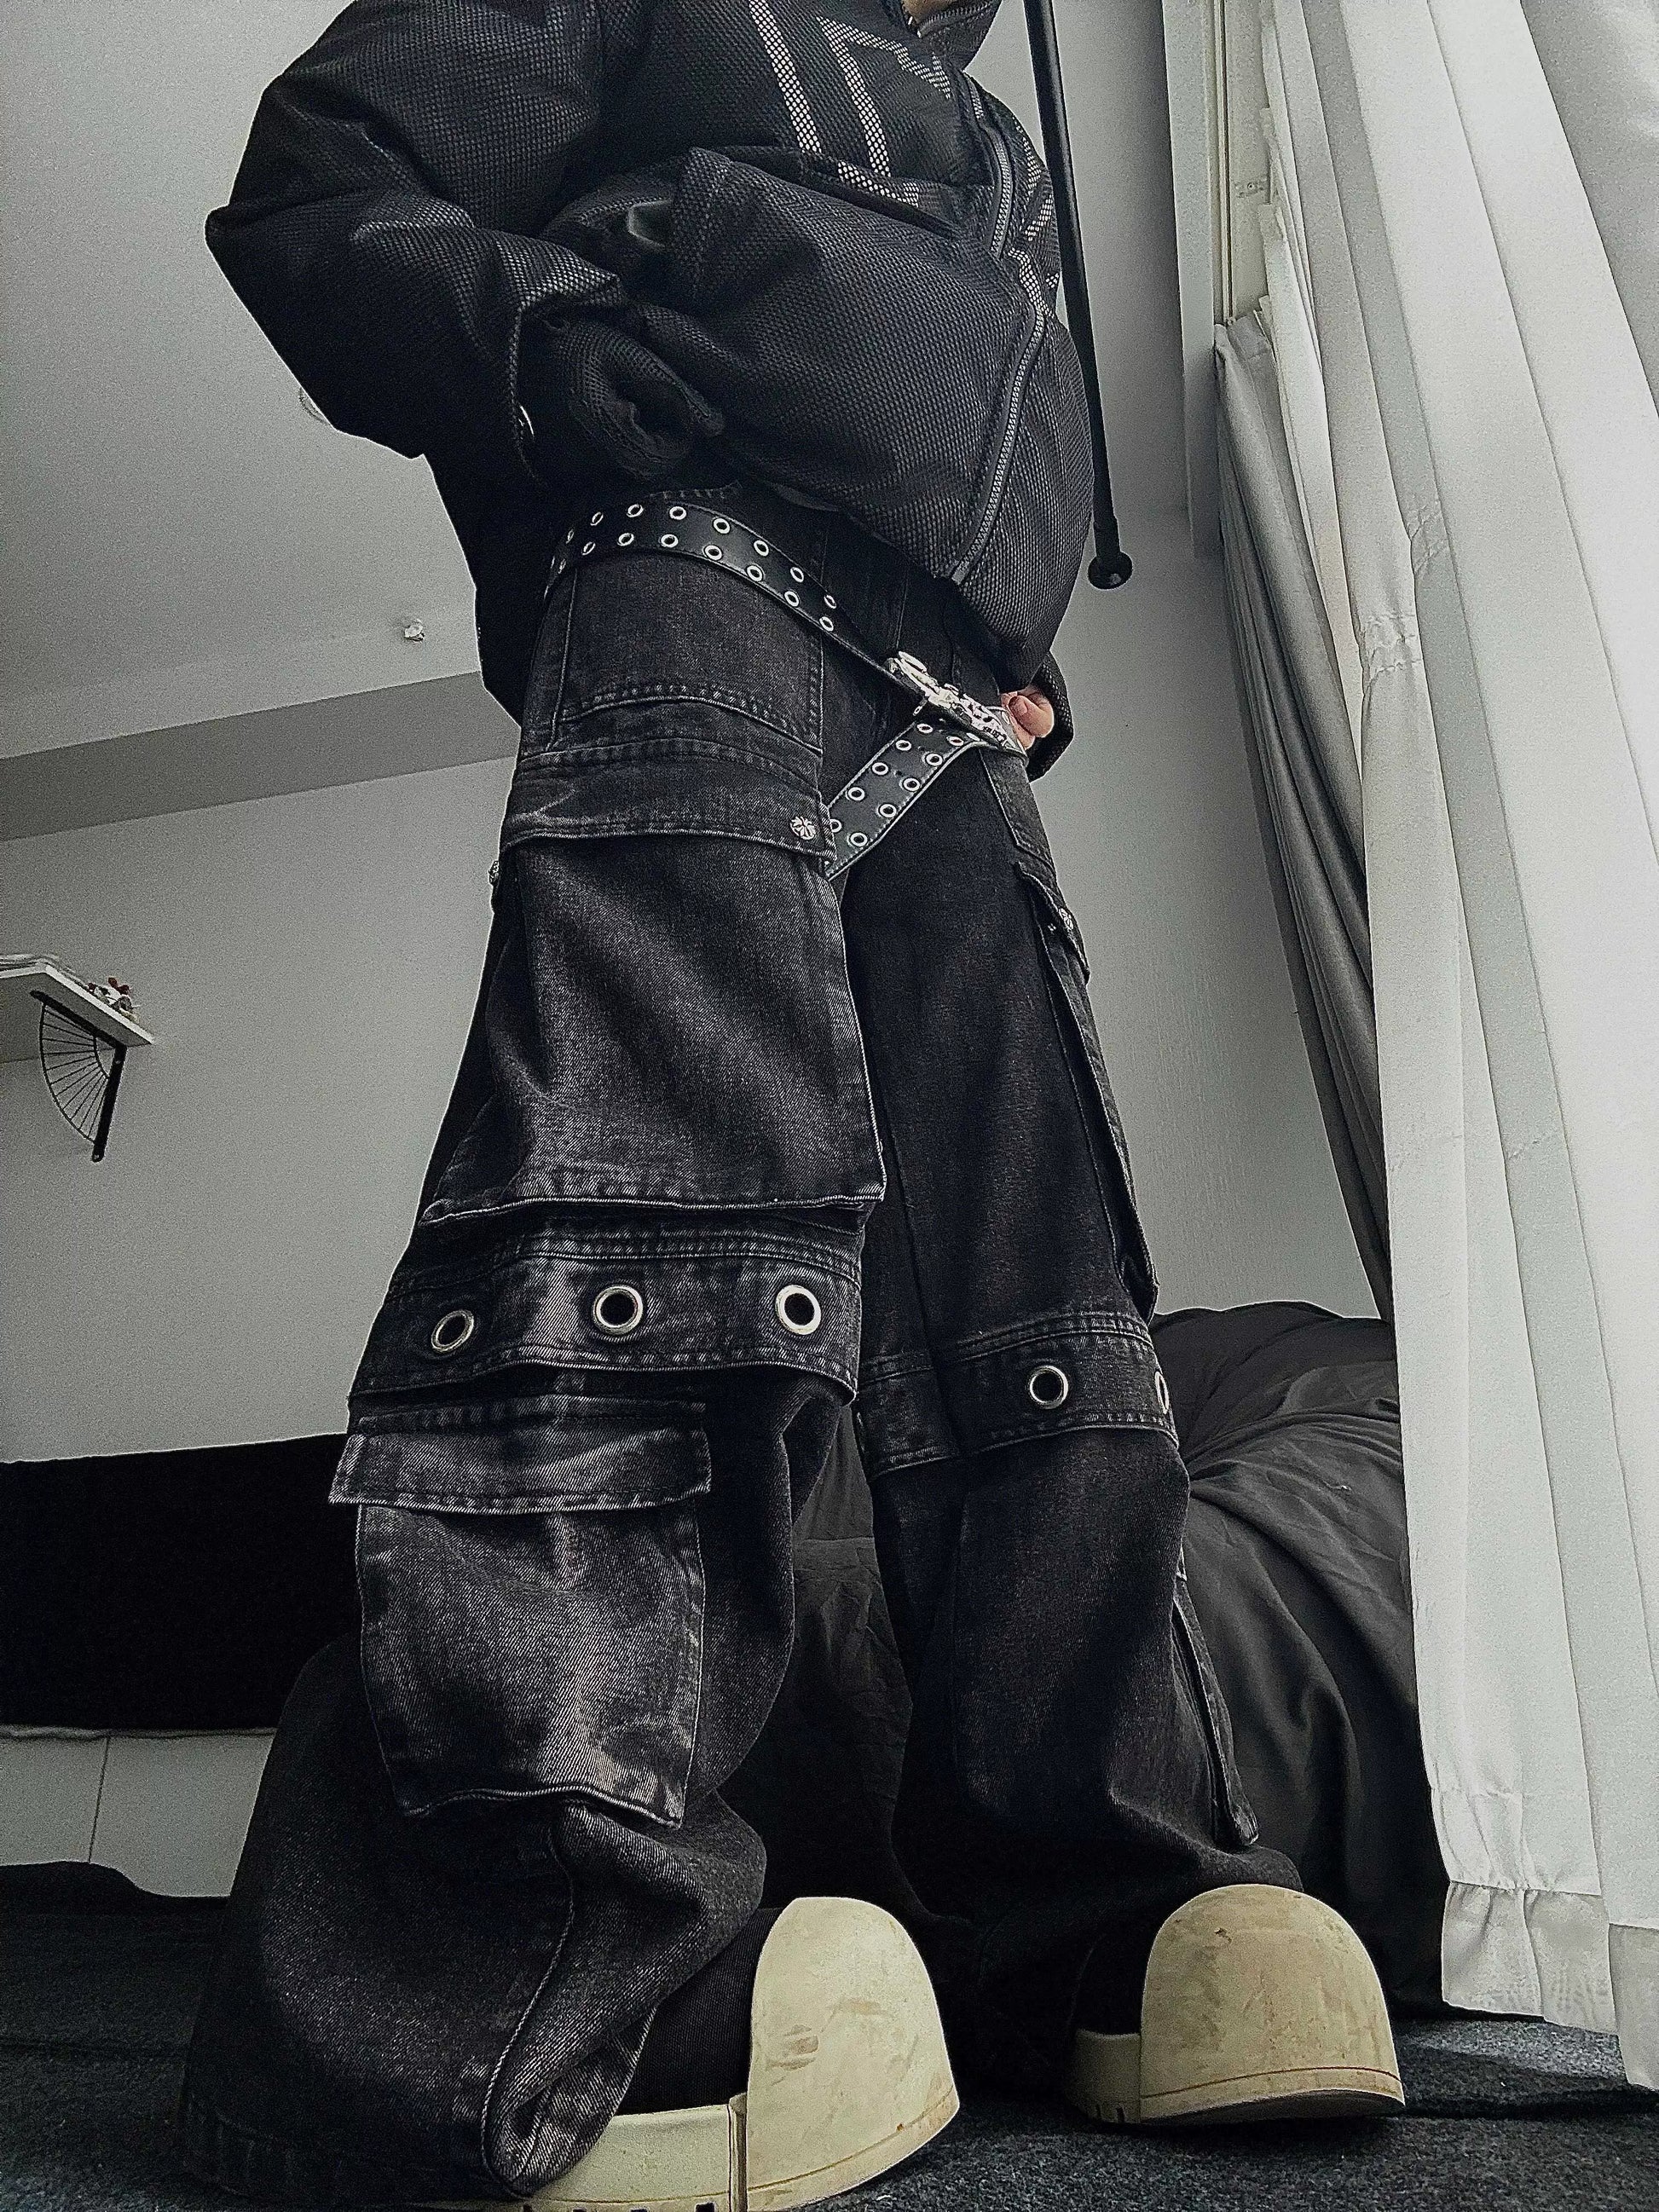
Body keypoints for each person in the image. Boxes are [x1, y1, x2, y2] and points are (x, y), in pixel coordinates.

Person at [180, 3, 1402, 2204]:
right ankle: (531, 1957)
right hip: (691, 585)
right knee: (652, 1218)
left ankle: (1101, 1904)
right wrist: (540, 334)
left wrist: (1024, 648)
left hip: (954, 715)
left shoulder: (996, 150)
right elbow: (314, 181)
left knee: (1036, 1304)